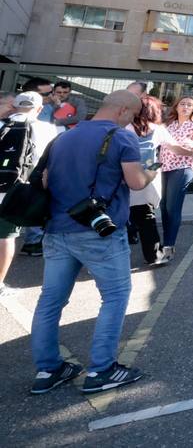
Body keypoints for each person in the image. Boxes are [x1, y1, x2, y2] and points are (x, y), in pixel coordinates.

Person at [30, 90, 157, 395]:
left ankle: (48, 370)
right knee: (114, 297)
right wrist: (151, 172)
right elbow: (136, 182)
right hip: (99, 231)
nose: (132, 120)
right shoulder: (121, 138)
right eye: (133, 115)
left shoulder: (64, 137)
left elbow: (44, 180)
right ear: (123, 111)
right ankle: (102, 370)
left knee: (50, 301)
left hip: (58, 228)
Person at [0, 92, 60, 296]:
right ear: (40, 109)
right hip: (16, 190)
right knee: (6, 236)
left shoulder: (2, 124)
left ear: (15, 106)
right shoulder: (47, 129)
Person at [160, 96, 193, 261]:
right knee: (164, 206)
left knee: (172, 206)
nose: (185, 107)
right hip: (164, 167)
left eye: (189, 105)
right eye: (182, 104)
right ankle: (166, 241)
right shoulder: (170, 124)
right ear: (176, 107)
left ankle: (168, 246)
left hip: (183, 167)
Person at [126, 96, 171, 268]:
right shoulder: (157, 129)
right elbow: (174, 147)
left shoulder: (123, 127)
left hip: (122, 178)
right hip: (146, 180)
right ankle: (154, 256)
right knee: (146, 218)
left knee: (117, 219)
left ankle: (108, 260)